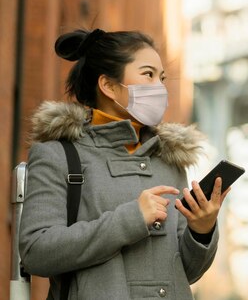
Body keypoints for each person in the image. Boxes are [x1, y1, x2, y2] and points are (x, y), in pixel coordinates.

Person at [19, 28, 228, 299]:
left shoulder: (169, 161)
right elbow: (37, 251)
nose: (160, 88)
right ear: (108, 85)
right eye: (148, 74)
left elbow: (187, 271)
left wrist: (202, 230)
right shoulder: (59, 155)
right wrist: (131, 219)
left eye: (161, 78)